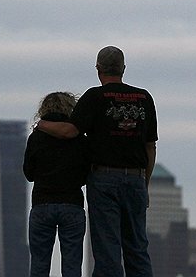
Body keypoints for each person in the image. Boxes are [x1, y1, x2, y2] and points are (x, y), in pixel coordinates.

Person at [37, 46, 157, 277]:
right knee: (137, 248)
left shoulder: (94, 97)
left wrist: (41, 124)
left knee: (107, 249)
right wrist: (145, 184)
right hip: (136, 179)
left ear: (98, 69)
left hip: (104, 180)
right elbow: (150, 147)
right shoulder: (144, 98)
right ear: (123, 69)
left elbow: (70, 131)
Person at [23, 91, 90, 277]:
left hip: (42, 204)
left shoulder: (36, 138)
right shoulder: (80, 139)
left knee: (39, 265)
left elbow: (29, 174)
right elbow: (86, 174)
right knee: (72, 266)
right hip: (72, 204)